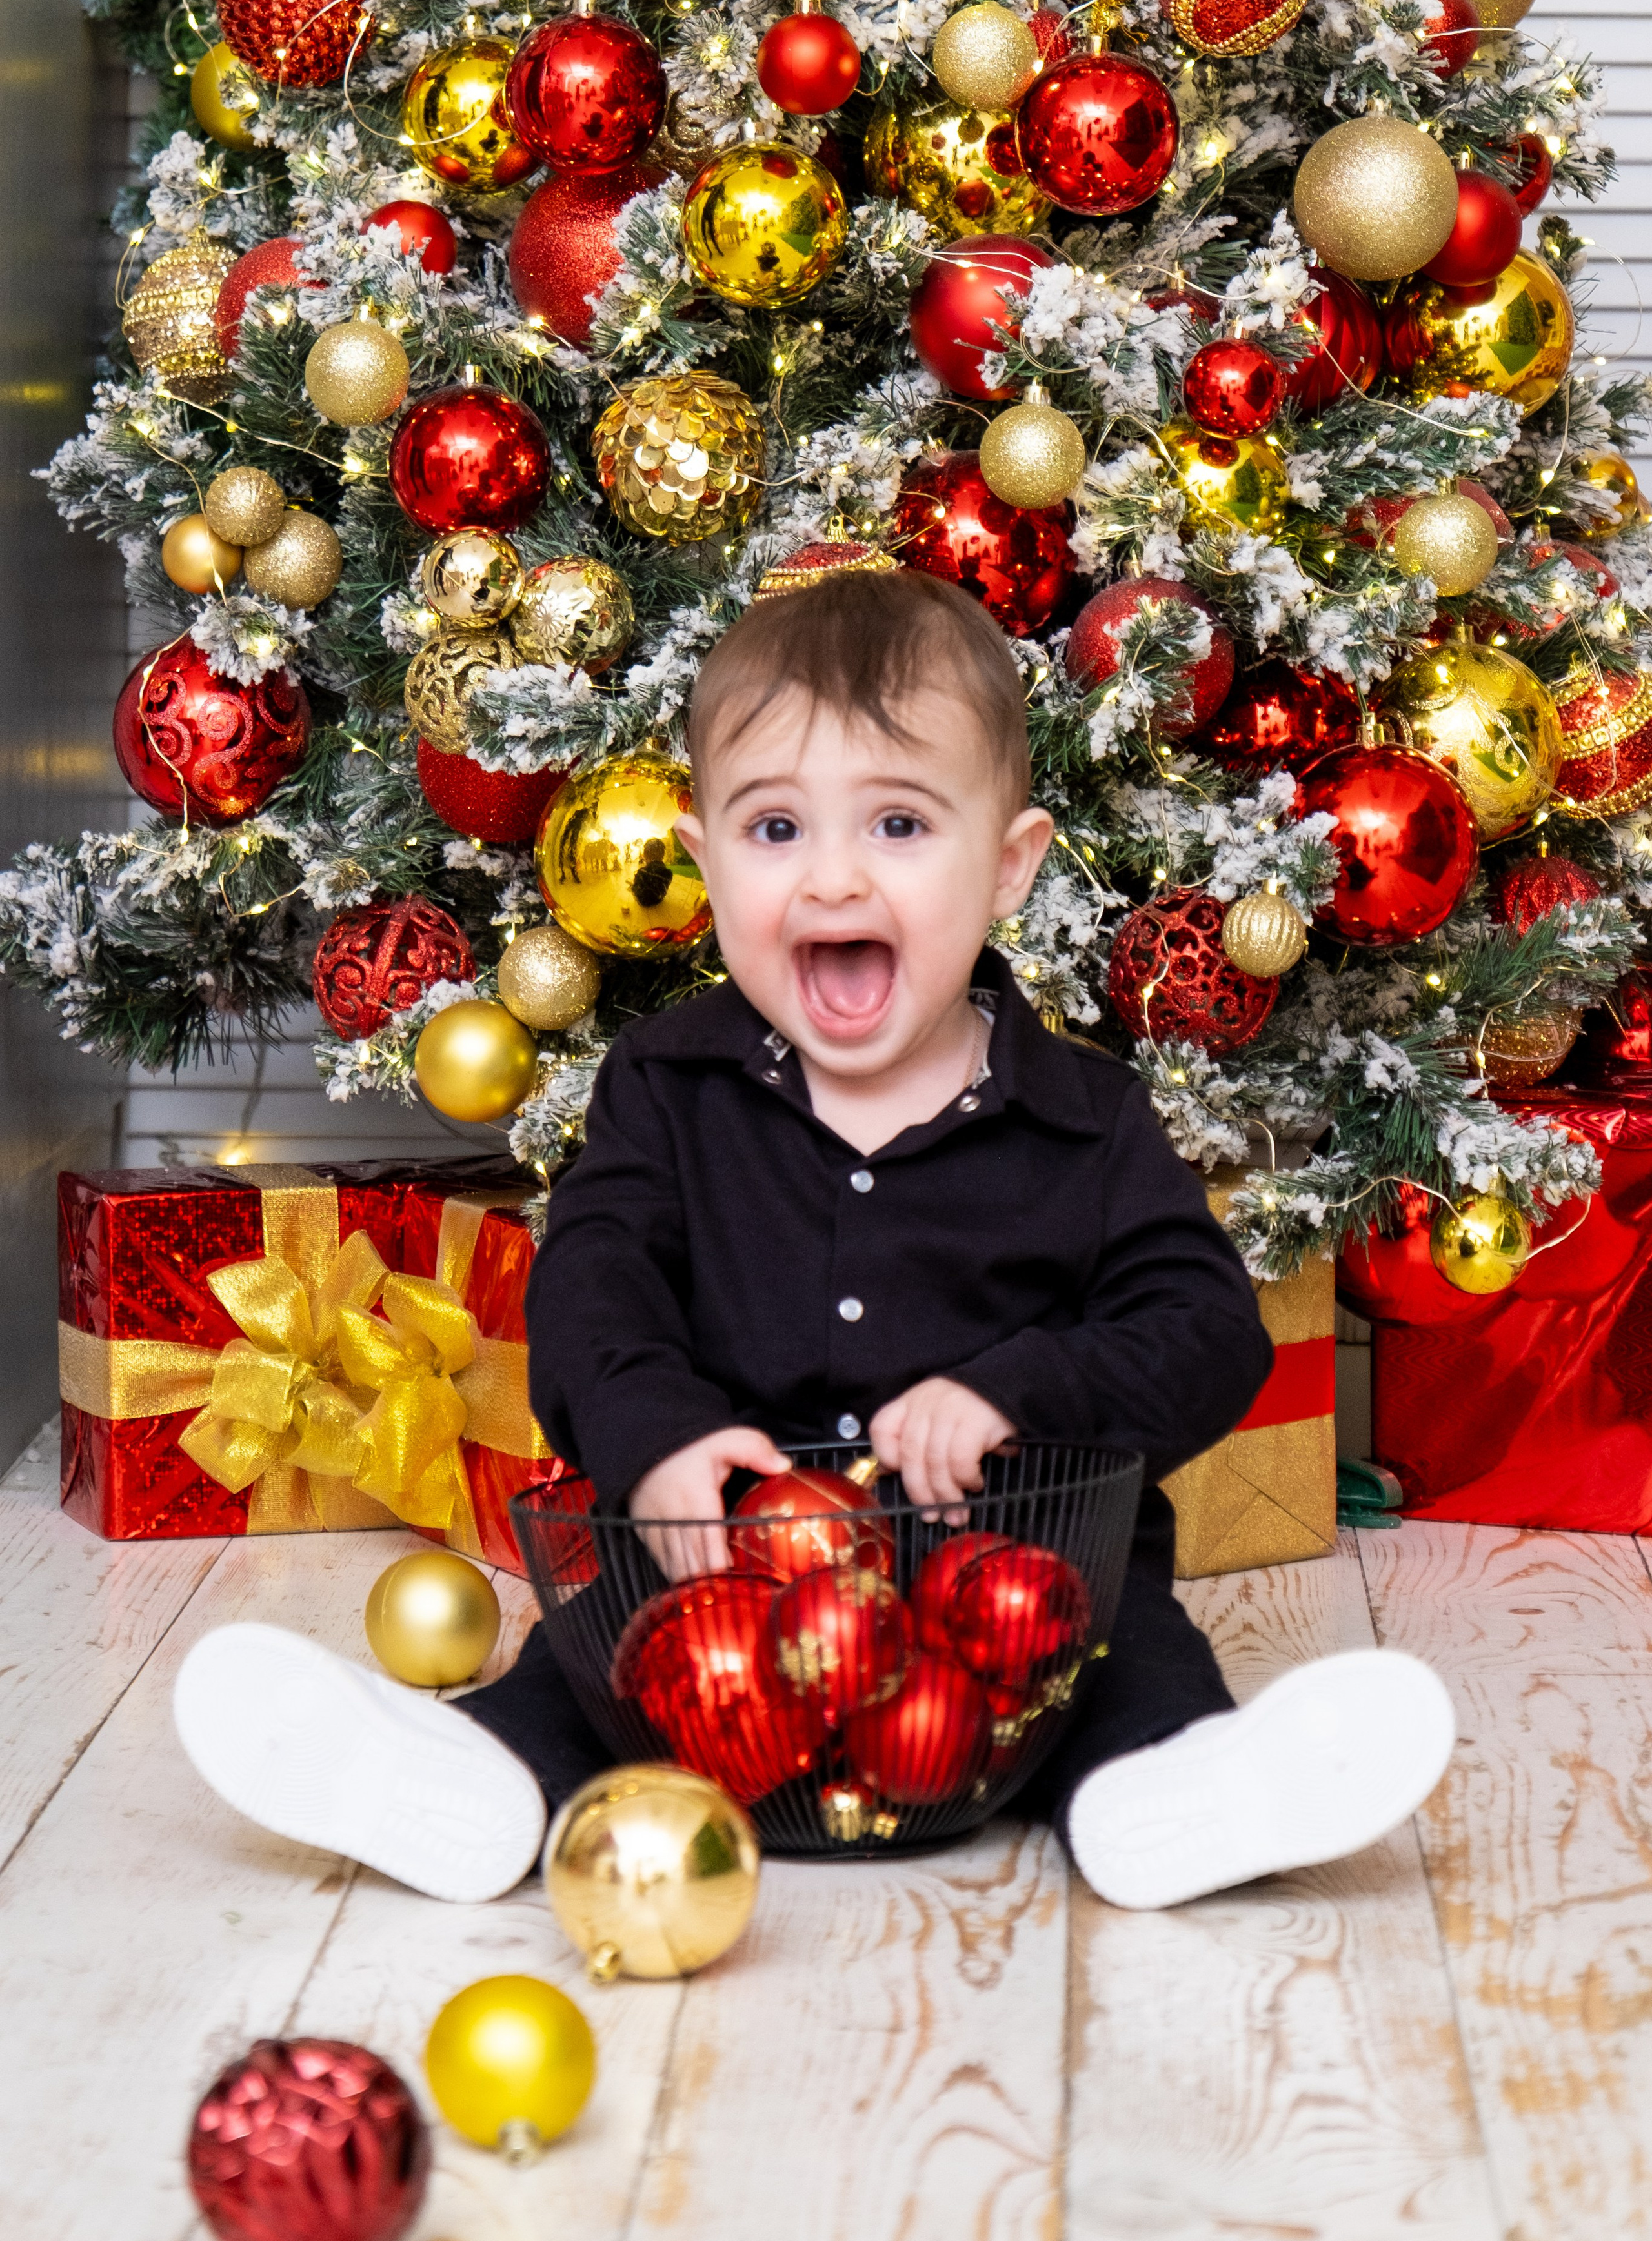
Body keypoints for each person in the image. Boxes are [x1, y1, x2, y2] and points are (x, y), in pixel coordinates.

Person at [174, 570, 1454, 1908]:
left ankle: (1178, 1795)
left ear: (1007, 867)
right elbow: (593, 1290)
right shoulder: (664, 1090)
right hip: (715, 1570)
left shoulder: (1083, 1117)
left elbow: (1202, 1335)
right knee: (582, 1667)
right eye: (774, 827)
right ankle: (468, 1787)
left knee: (1126, 1659)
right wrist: (655, 1437)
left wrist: (1016, 1395)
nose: (832, 874)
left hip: (1013, 1570)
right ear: (704, 857)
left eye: (898, 824)